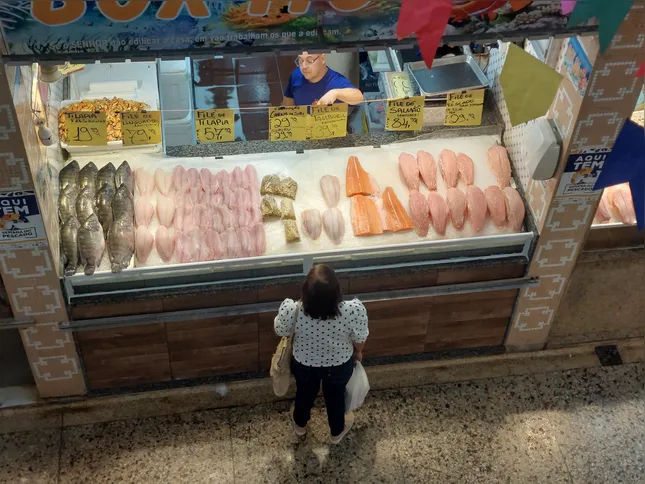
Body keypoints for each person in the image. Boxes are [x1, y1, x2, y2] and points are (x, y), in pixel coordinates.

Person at [274, 264, 369, 444]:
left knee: (304, 393)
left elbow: (280, 329)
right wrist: (358, 352)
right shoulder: (352, 311)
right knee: (336, 398)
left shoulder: (293, 310)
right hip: (339, 365)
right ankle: (336, 433)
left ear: (305, 291)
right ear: (337, 291)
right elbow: (360, 337)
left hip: (304, 364)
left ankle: (300, 425)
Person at [283, 52, 364, 107]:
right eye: (300, 61)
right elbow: (288, 102)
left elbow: (358, 97)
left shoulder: (335, 81)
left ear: (322, 59)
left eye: (309, 61)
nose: (304, 66)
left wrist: (335, 93)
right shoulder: (296, 75)